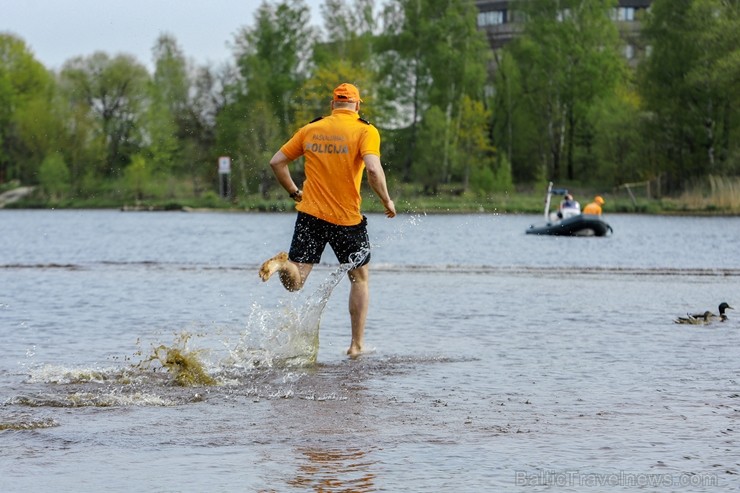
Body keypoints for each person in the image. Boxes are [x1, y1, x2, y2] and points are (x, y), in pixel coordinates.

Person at [258, 82, 396, 357]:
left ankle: (283, 264)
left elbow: (276, 162)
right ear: (357, 106)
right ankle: (356, 346)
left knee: (296, 282)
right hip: (347, 220)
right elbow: (372, 169)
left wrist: (294, 192)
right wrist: (386, 200)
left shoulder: (312, 129)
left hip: (310, 215)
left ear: (333, 105)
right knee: (360, 278)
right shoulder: (365, 130)